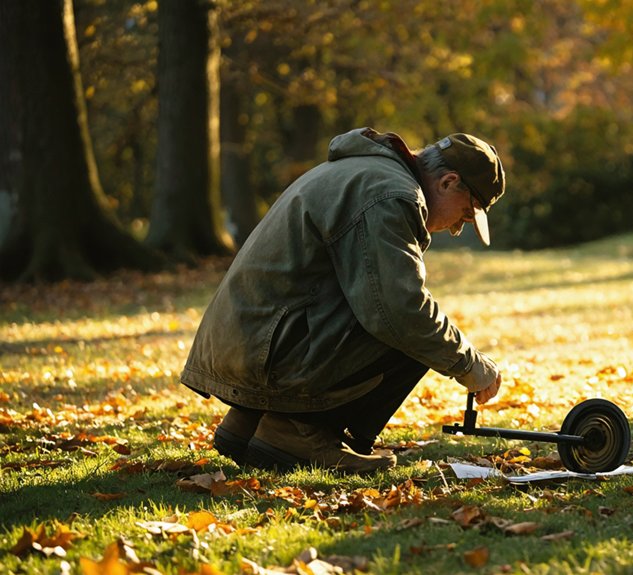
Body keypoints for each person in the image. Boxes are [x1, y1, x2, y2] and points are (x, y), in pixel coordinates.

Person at [180, 127, 506, 474]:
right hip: (266, 352)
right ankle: (300, 433)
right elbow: (398, 310)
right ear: (447, 182)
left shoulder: (366, 172)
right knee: (412, 333)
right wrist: (468, 364)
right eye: (467, 213)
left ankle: (250, 420)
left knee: (397, 314)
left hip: (246, 344)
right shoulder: (391, 194)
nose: (458, 227)